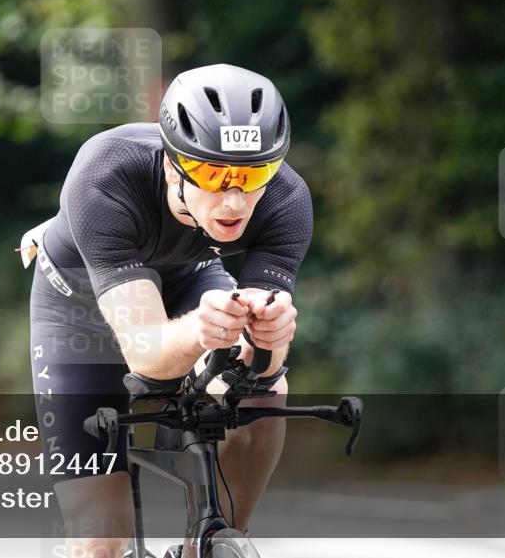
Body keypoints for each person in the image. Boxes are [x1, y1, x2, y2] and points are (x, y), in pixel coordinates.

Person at [22, 64, 312, 558]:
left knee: (262, 390)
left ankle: (216, 540)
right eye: (214, 175)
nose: (235, 200)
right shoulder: (105, 173)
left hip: (187, 281)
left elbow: (259, 362)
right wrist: (201, 329)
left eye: (253, 175)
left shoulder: (286, 198)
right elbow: (148, 358)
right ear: (173, 165)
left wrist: (270, 337)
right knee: (100, 541)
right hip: (77, 309)